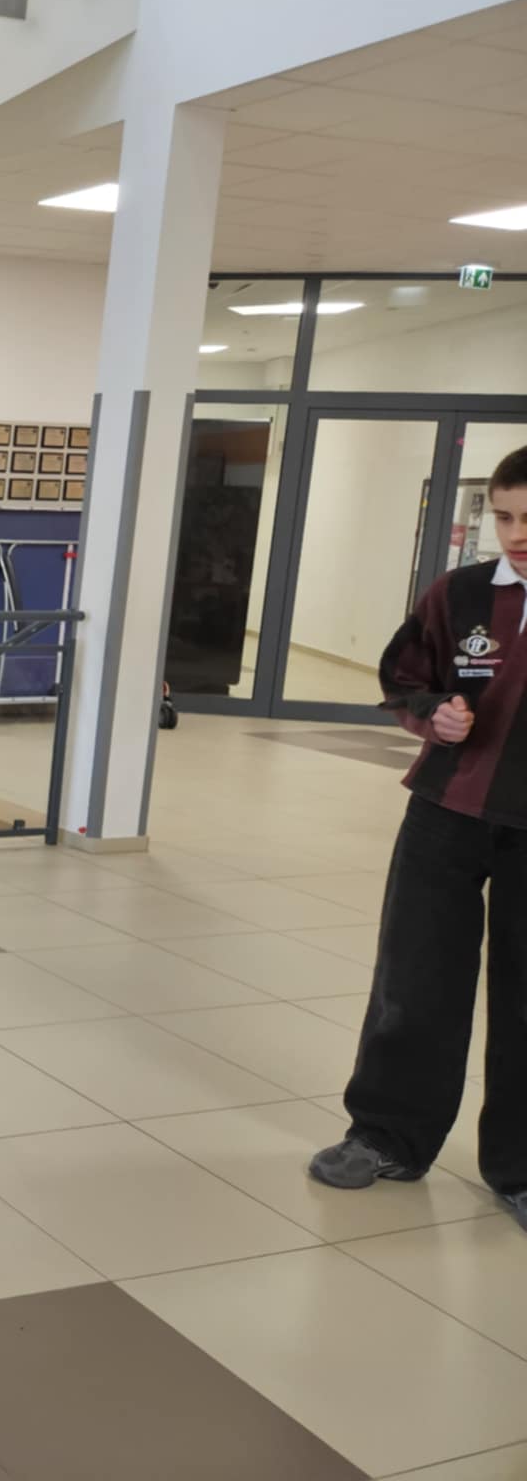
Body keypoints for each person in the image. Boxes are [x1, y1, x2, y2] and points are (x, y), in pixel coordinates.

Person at [308, 443, 527, 1235]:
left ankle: (521, 1168)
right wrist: (434, 712)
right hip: (445, 812)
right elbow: (404, 677)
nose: (516, 534)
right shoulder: (461, 593)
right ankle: (386, 1136)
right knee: (415, 979)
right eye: (504, 517)